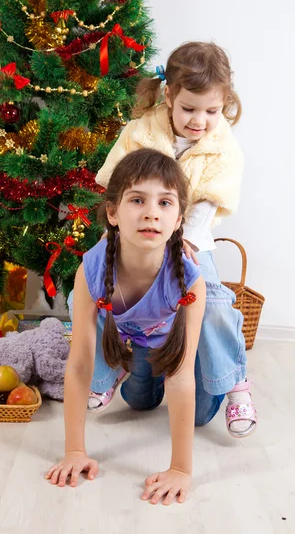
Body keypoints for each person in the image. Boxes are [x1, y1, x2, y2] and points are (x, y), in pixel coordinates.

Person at [91, 42, 257, 438]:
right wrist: (120, 240)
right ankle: (106, 373)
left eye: (211, 111)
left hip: (188, 237)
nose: (199, 120)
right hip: (133, 236)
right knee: (100, 288)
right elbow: (115, 187)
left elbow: (209, 203)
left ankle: (235, 384)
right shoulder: (140, 131)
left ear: (224, 105)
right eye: (189, 109)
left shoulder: (223, 146)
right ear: (169, 96)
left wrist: (189, 244)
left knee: (213, 298)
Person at [47, 149, 214, 504]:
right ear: (113, 212)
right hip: (135, 341)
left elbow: (181, 375)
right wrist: (74, 450)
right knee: (139, 401)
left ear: (179, 219)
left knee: (198, 412)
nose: (152, 212)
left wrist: (180, 469)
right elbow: (78, 365)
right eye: (137, 200)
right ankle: (130, 376)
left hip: (176, 348)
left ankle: (225, 381)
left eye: (165, 203)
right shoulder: (90, 271)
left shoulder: (189, 281)